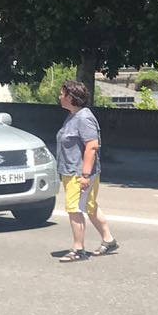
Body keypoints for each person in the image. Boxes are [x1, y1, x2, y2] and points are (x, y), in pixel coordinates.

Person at [55, 80, 117, 263]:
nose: (59, 96)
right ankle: (109, 239)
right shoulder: (73, 115)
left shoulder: (84, 118)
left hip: (79, 173)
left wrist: (85, 175)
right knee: (89, 206)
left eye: (62, 93)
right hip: (72, 171)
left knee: (74, 209)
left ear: (71, 98)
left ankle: (78, 249)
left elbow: (92, 146)